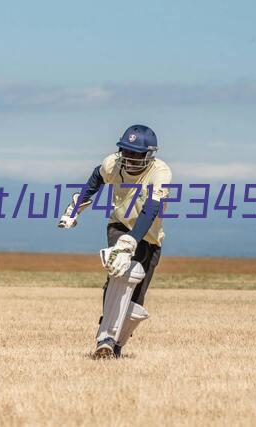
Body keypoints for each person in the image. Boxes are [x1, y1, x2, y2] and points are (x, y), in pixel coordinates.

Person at [58, 124, 172, 358]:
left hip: (148, 236)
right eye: (126, 152)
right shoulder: (112, 163)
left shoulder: (160, 172)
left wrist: (133, 240)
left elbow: (152, 208)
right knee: (122, 272)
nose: (129, 158)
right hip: (118, 225)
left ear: (148, 155)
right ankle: (106, 338)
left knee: (135, 304)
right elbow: (95, 179)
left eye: (136, 154)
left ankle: (115, 345)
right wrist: (75, 208)